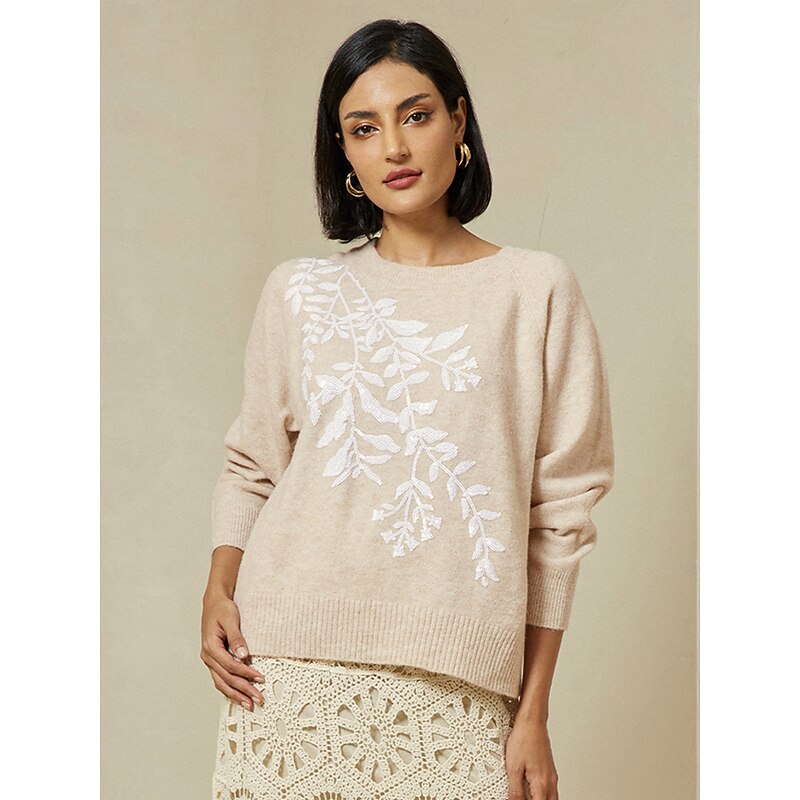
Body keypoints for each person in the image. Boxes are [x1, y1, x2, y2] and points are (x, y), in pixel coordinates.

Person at [201, 18, 614, 800]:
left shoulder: (535, 291)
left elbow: (560, 516)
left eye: (415, 116)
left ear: (458, 121)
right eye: (364, 128)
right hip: (285, 669)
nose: (393, 147)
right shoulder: (300, 292)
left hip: (463, 682)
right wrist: (218, 590)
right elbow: (252, 466)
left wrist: (533, 711)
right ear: (344, 153)